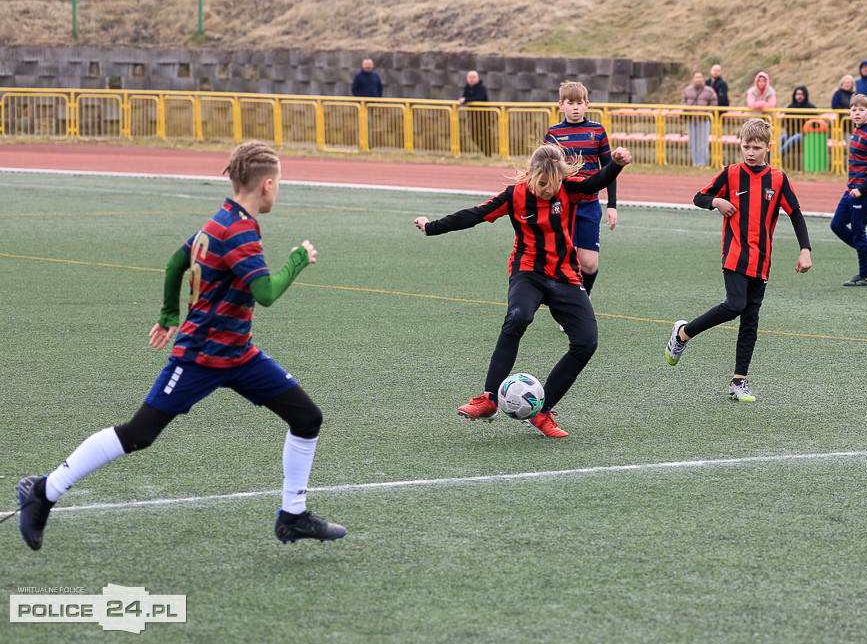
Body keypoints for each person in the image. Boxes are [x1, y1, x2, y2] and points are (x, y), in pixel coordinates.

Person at [15, 142, 347, 551]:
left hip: (238, 354)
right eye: (279, 183)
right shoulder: (239, 231)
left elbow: (176, 261)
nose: (279, 190)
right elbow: (265, 293)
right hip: (200, 357)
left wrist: (169, 315)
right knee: (138, 434)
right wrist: (298, 259)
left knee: (307, 417)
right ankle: (43, 492)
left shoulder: (220, 220)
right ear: (266, 185)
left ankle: (293, 516)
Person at [413, 143, 632, 437]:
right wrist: (431, 227)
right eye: (541, 183)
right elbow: (474, 215)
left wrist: (616, 164)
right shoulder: (514, 195)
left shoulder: (569, 188)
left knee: (586, 342)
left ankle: (542, 413)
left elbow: (597, 181)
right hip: (528, 271)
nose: (546, 190)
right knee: (517, 318)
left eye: (551, 185)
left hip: (565, 275)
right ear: (530, 174)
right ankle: (489, 399)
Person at [665, 118, 812, 402]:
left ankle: (738, 381)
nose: (750, 152)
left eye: (757, 147)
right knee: (734, 305)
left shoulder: (778, 179)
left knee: (751, 318)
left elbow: (795, 213)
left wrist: (805, 249)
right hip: (734, 254)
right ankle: (683, 333)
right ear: (740, 145)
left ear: (768, 147)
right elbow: (699, 196)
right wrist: (715, 202)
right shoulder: (731, 174)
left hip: (762, 260)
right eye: (746, 146)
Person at [543, 80, 617, 303]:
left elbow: (610, 170)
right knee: (566, 258)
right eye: (570, 103)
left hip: (589, 205)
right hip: (562, 205)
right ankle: (572, 306)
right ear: (561, 105)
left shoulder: (597, 130)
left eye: (579, 103)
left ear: (587, 104)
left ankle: (584, 297)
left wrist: (612, 205)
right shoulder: (553, 133)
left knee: (589, 263)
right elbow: (544, 170)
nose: (575, 107)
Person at [831, 94, 867, 286]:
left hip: (862, 192)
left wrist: (861, 189)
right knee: (836, 225)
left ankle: (865, 275)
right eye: (853, 109)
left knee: (858, 231)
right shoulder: (857, 130)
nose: (857, 113)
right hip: (851, 190)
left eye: (861, 110)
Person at [680, 69, 718, 166]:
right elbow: (683, 102)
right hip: (692, 120)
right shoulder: (687, 90)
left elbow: (713, 104)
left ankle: (702, 163)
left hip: (704, 120)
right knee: (692, 143)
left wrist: (707, 114)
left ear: (703, 78)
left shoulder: (709, 90)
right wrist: (686, 111)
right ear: (693, 78)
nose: (698, 79)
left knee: (703, 143)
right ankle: (695, 163)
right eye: (696, 77)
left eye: (700, 77)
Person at [458, 70, 493, 156]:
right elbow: (465, 96)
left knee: (485, 134)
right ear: (467, 79)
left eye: (473, 77)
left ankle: (488, 154)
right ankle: (484, 151)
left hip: (483, 115)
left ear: (477, 78)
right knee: (474, 134)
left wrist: (466, 100)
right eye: (470, 77)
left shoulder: (481, 88)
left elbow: (479, 98)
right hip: (473, 115)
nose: (471, 79)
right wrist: (464, 99)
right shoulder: (467, 87)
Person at [778, 85, 816, 158]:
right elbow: (785, 121)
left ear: (805, 95)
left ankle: (776, 157)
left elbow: (815, 122)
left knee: (793, 139)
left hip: (805, 135)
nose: (799, 96)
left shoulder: (810, 107)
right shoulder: (791, 106)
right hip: (791, 133)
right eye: (797, 94)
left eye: (801, 94)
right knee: (779, 140)